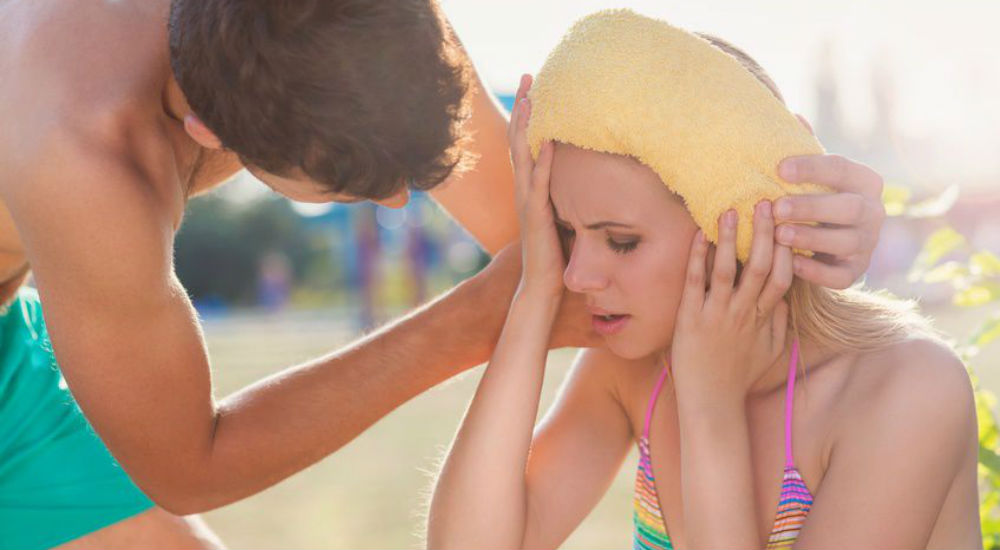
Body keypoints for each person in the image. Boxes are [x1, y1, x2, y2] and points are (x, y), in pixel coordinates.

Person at [0, 2, 887, 548]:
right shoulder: (86, 156)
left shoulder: (340, 23)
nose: (398, 204)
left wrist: (792, 207)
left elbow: (541, 230)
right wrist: (477, 322)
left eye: (411, 171)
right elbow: (188, 464)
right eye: (355, 190)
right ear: (203, 126)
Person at [427, 10, 980, 549]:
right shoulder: (631, 366)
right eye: (568, 232)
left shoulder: (907, 390)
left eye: (621, 240)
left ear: (733, 223)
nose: (578, 275)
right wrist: (534, 295)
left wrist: (710, 411)